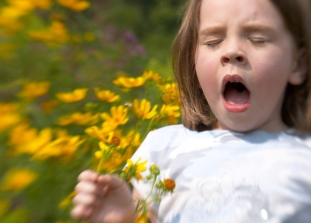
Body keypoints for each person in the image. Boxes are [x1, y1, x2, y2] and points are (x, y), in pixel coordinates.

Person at [71, 0, 311, 222]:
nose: (231, 51)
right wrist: (124, 217)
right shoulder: (164, 147)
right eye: (213, 41)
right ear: (193, 58)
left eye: (258, 38)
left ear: (298, 64)